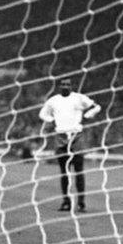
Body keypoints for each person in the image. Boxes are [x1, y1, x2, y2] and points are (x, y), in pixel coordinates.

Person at [38, 76, 101, 212]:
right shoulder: (53, 100)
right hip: (61, 137)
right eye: (63, 84)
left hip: (76, 136)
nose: (65, 86)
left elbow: (97, 107)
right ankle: (66, 202)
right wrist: (52, 119)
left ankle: (81, 203)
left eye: (68, 84)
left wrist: (86, 116)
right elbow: (42, 114)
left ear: (72, 86)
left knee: (79, 171)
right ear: (59, 86)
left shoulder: (79, 98)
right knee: (64, 172)